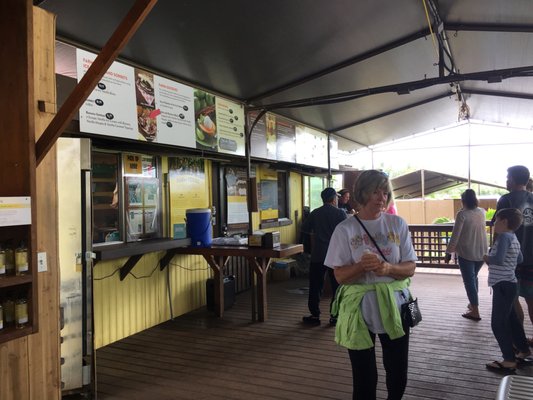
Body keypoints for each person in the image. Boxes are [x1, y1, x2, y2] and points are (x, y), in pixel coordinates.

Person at [324, 170, 417, 400]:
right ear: (362, 193)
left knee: (397, 370)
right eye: (376, 191)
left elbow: (410, 268)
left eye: (385, 192)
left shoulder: (397, 224)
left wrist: (388, 269)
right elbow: (339, 276)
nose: (382, 197)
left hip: (396, 305)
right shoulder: (345, 229)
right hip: (359, 308)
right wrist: (360, 267)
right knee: (363, 373)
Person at [484, 208, 531, 372]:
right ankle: (524, 350)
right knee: (511, 320)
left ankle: (509, 359)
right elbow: (520, 258)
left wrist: (486, 258)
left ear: (504, 222)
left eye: (496, 220)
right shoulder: (513, 237)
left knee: (498, 323)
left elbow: (498, 259)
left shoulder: (504, 237)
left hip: (502, 284)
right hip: (510, 284)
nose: (494, 223)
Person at [494, 165, 533, 345]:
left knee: (513, 300)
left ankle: (520, 341)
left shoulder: (505, 200)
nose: (506, 180)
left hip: (512, 258)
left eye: (508, 177)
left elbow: (499, 229)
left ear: (515, 180)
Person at [301, 187, 347, 326]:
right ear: (333, 199)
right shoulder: (340, 213)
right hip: (335, 256)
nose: (338, 200)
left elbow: (305, 229)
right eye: (337, 198)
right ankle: (335, 316)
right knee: (337, 287)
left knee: (315, 285)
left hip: (318, 254)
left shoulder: (315, 213)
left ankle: (315, 315)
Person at [445, 189, 488, 321]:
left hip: (466, 253)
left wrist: (448, 252)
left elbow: (455, 236)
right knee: (473, 278)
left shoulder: (462, 215)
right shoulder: (482, 212)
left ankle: (475, 310)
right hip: (482, 252)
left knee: (469, 282)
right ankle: (472, 304)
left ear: (463, 201)